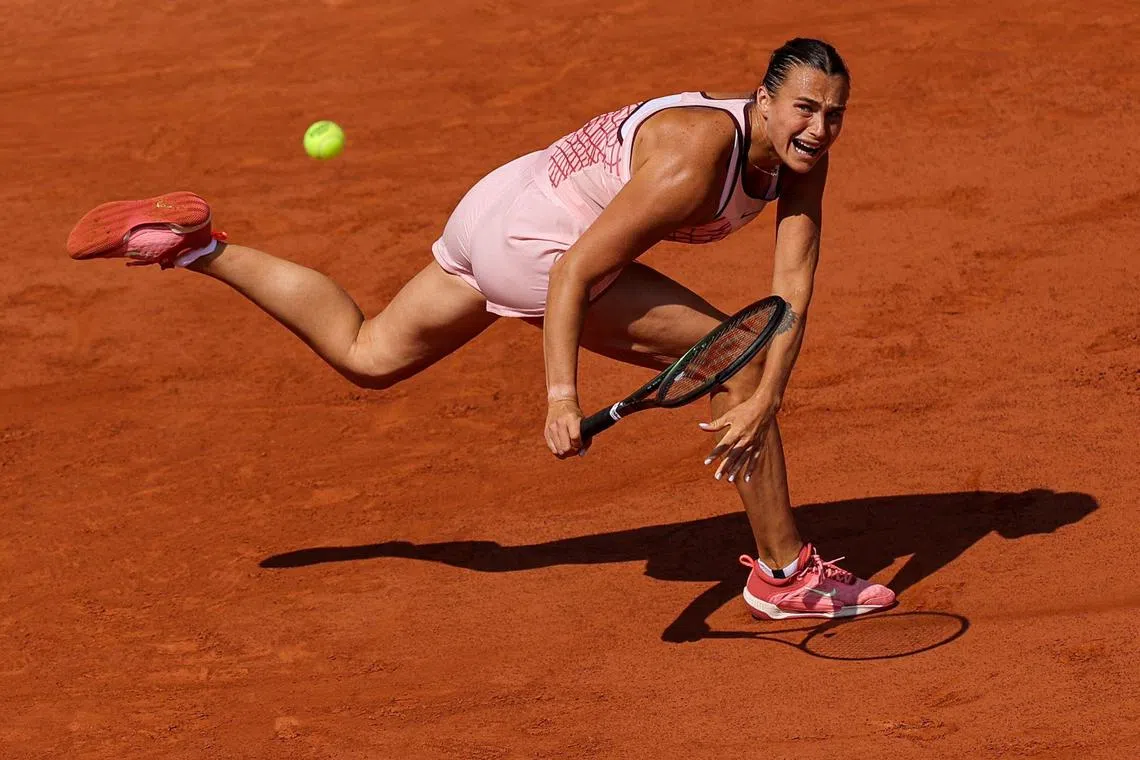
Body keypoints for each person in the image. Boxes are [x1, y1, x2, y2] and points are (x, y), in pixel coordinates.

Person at [66, 38, 895, 620]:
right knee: (731, 359)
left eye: (833, 114)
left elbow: (788, 293)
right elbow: (574, 272)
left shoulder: (799, 160)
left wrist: (769, 391)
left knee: (369, 352)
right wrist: (562, 396)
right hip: (540, 245)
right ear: (762, 98)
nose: (819, 129)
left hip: (496, 203)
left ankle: (194, 247)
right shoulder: (693, 163)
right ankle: (786, 577)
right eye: (804, 109)